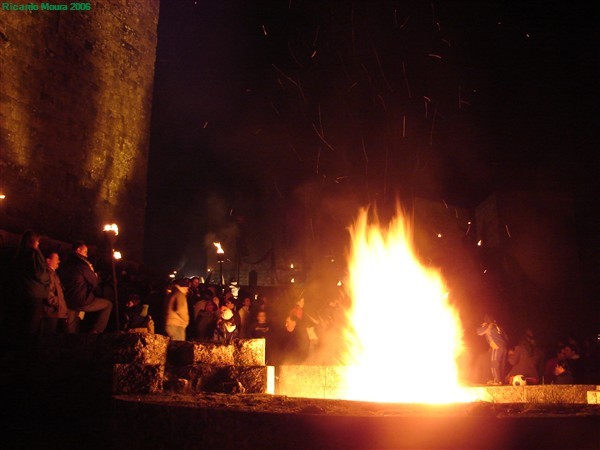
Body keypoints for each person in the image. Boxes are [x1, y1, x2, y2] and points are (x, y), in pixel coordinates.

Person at [59, 241, 113, 333]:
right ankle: (95, 331)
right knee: (108, 305)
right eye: (85, 252)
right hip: (82, 299)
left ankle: (69, 344)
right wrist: (95, 276)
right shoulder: (82, 264)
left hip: (68, 299)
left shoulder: (65, 262)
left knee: (71, 329)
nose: (86, 255)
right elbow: (94, 282)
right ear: (78, 250)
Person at [13, 231, 50, 338]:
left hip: (23, 292)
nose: (38, 244)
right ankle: (28, 350)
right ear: (33, 241)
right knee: (31, 326)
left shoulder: (20, 253)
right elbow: (40, 274)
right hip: (34, 294)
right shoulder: (34, 253)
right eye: (38, 241)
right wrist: (48, 278)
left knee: (22, 324)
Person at [42, 251, 76, 334]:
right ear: (48, 260)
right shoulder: (48, 274)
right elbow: (48, 295)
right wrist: (59, 303)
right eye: (56, 258)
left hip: (57, 312)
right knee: (49, 336)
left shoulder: (54, 274)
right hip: (52, 313)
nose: (59, 261)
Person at [477, 314, 508, 385]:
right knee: (502, 364)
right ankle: (501, 380)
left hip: (496, 347)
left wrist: (484, 326)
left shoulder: (488, 326)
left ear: (487, 321)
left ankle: (497, 380)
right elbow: (506, 338)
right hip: (504, 347)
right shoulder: (499, 327)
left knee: (494, 364)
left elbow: (479, 332)